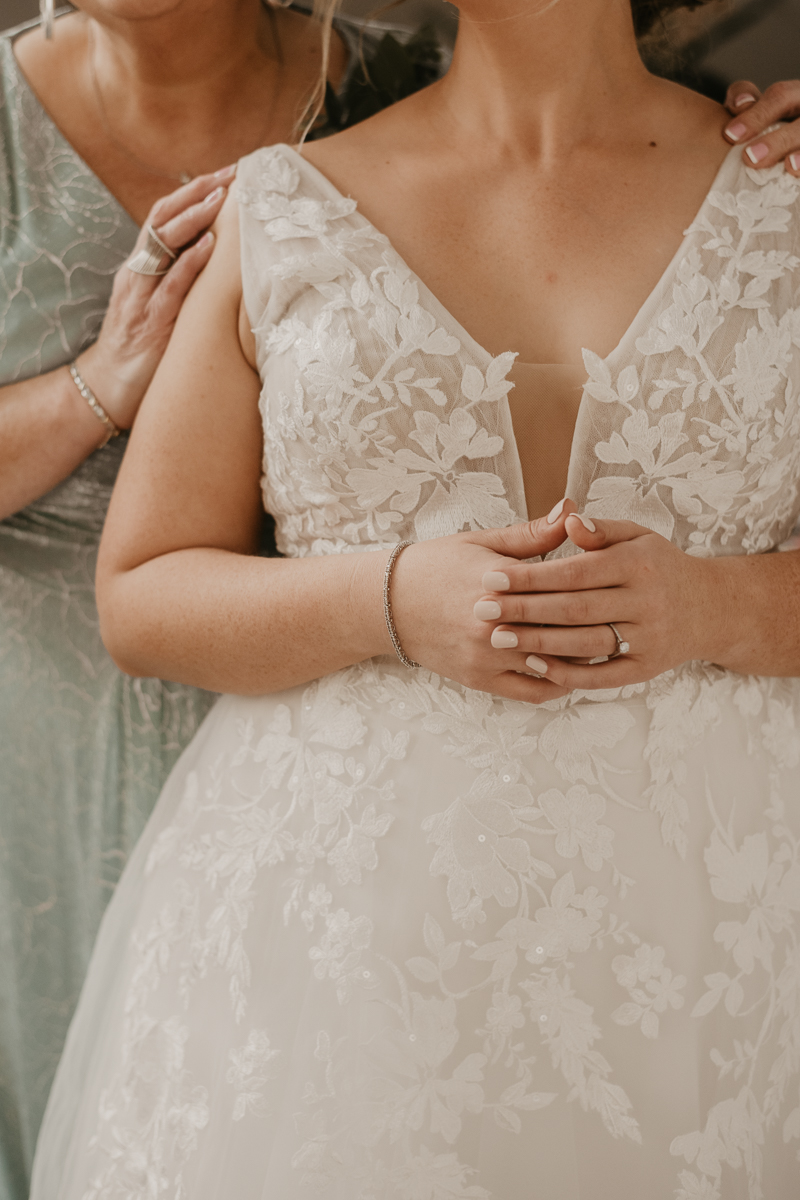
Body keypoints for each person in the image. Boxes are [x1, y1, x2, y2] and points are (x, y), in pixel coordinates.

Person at [25, 1, 800, 1196]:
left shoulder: (784, 189)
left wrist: (713, 607)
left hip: (725, 947)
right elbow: (141, 593)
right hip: (340, 967)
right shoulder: (283, 207)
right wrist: (389, 600)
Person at [0, 1, 432, 1195]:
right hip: (40, 758)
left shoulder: (419, 86)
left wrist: (742, 156)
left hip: (342, 715)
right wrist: (103, 382)